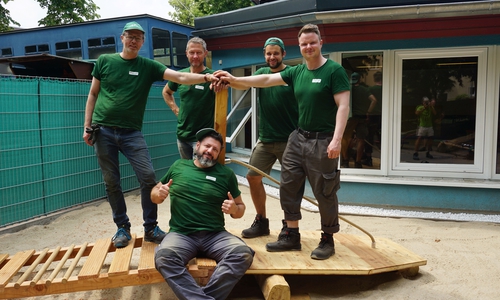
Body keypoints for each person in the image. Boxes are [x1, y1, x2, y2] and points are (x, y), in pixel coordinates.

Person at [215, 23, 350, 260]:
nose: (308, 46)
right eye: (304, 43)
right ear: (299, 47)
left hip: (323, 139)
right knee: (288, 185)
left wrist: (337, 139)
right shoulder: (296, 72)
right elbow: (265, 80)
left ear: (320, 43)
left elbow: (343, 106)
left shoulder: (334, 71)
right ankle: (291, 234)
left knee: (324, 191)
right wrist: (230, 79)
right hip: (298, 137)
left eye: (312, 42)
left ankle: (328, 239)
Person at [83, 21, 220, 249]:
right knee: (111, 182)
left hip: (132, 133)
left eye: (138, 37)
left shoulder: (148, 66)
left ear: (143, 42)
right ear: (122, 38)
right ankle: (122, 227)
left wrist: (207, 78)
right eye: (130, 36)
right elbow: (93, 93)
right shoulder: (105, 61)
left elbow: (180, 77)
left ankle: (150, 228)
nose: (134, 41)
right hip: (103, 130)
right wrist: (87, 126)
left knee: (148, 177)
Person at [151, 128, 254, 300]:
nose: (210, 151)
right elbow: (155, 193)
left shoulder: (226, 174)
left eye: (215, 149)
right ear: (197, 146)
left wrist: (235, 210)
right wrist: (158, 194)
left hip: (215, 235)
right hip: (181, 234)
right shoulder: (179, 166)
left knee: (242, 253)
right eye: (207, 146)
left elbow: (240, 208)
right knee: (164, 257)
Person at [240, 37, 299, 239]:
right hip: (265, 139)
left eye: (275, 53)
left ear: (284, 54)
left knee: (289, 184)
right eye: (268, 53)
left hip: (289, 140)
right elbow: (242, 84)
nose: (271, 57)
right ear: (264, 55)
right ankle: (261, 222)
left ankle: (288, 225)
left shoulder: (292, 74)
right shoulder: (261, 73)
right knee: (252, 177)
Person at [162, 37, 216, 159]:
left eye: (199, 52)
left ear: (205, 53)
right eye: (192, 52)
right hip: (182, 136)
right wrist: (175, 110)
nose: (195, 56)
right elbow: (166, 92)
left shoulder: (212, 77)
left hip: (203, 138)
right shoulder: (180, 75)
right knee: (186, 171)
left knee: (198, 173)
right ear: (187, 54)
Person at [341, 72, 377, 168]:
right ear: (360, 79)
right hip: (362, 117)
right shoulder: (365, 90)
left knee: (345, 138)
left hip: (351, 117)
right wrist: (368, 112)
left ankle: (345, 161)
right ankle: (358, 162)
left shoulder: (348, 90)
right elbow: (374, 100)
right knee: (361, 140)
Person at [362, 71, 383, 167]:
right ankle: (385, 158)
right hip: (384, 116)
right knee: (383, 137)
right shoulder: (386, 89)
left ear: (374, 79)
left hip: (373, 115)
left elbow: (369, 101)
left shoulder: (370, 89)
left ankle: (368, 158)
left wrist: (368, 112)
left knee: (369, 137)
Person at [413, 96, 436, 160]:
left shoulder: (430, 108)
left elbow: (435, 113)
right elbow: (417, 113)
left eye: (427, 102)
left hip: (429, 126)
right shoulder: (420, 107)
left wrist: (431, 106)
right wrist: (424, 108)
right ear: (422, 102)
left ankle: (428, 152)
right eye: (425, 102)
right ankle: (415, 152)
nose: (426, 103)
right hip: (422, 126)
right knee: (419, 138)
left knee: (430, 139)